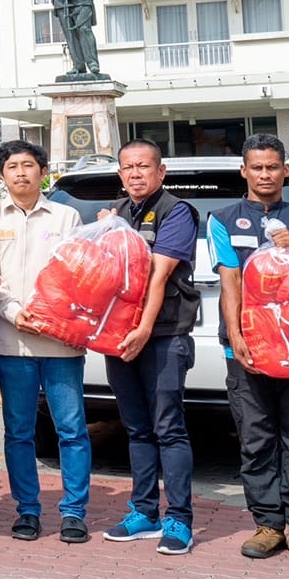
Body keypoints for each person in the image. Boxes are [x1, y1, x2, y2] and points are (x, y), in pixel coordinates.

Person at [211, 134, 289, 566]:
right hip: (249, 352)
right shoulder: (223, 219)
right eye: (257, 167)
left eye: (273, 167)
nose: (265, 175)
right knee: (256, 440)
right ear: (243, 172)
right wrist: (236, 336)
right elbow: (229, 280)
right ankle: (267, 524)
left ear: (286, 170)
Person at [0, 139, 90, 544]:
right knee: (19, 431)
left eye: (28, 165)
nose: (21, 172)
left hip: (59, 342)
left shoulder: (67, 216)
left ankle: (74, 512)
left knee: (71, 429)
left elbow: (75, 275)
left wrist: (47, 317)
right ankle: (28, 510)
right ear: (2, 175)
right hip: (11, 341)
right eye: (12, 166)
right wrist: (16, 312)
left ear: (43, 172)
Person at [100, 139, 201, 556]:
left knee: (168, 428)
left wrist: (143, 329)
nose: (136, 173)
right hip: (121, 336)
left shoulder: (177, 211)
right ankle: (143, 511)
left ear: (161, 172)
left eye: (144, 166)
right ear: (121, 175)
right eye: (128, 168)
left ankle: (179, 518)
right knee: (136, 427)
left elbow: (158, 276)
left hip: (162, 335)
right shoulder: (118, 213)